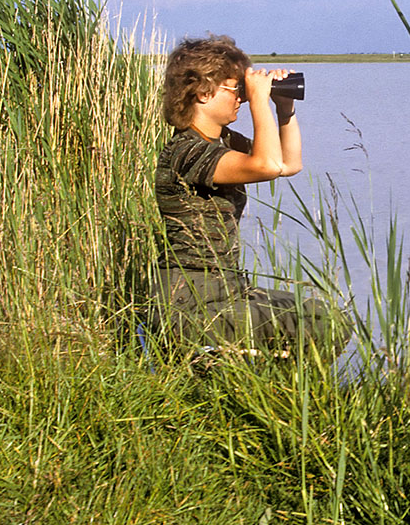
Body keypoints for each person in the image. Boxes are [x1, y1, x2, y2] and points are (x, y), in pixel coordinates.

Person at [147, 34, 349, 358]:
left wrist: (284, 109)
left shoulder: (222, 140)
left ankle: (264, 382)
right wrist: (258, 100)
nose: (240, 97)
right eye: (234, 89)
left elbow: (287, 163)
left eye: (243, 90)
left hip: (227, 290)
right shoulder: (185, 151)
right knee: (321, 324)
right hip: (189, 304)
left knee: (324, 316)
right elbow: (266, 165)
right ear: (202, 92)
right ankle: (206, 365)